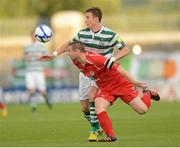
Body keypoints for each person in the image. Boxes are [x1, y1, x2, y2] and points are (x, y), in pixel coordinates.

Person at [39, 7, 130, 141]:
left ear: (96, 18)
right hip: (85, 72)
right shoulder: (82, 34)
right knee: (84, 108)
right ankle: (96, 125)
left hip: (101, 73)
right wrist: (54, 54)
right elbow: (69, 44)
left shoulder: (110, 35)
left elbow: (125, 50)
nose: (85, 20)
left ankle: (94, 130)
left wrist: (112, 59)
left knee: (92, 95)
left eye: (87, 17)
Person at [41, 41, 160, 142]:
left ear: (77, 52)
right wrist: (53, 54)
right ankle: (111, 136)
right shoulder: (76, 61)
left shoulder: (96, 59)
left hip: (120, 84)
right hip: (105, 88)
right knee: (99, 108)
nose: (67, 53)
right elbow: (69, 47)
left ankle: (147, 94)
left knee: (142, 110)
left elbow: (120, 70)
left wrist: (136, 83)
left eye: (69, 51)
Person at [24, 32, 52, 112]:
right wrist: (27, 58)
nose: (33, 37)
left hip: (39, 71)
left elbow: (47, 58)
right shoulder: (27, 47)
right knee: (31, 90)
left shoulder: (41, 46)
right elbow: (24, 58)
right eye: (32, 35)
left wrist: (39, 57)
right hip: (29, 71)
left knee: (42, 91)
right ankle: (34, 108)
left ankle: (47, 101)